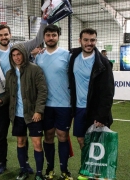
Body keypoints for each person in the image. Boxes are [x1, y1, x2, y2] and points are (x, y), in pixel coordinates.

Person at [0, 15, 47, 175]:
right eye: (0, 35)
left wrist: (43, 21)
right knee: (2, 134)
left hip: (23, 99)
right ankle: (2, 162)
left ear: (10, 35)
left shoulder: (21, 47)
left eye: (6, 34)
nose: (3, 37)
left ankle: (26, 165)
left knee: (23, 133)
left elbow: (38, 39)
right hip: (3, 98)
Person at [68, 28, 114, 180]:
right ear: (80, 40)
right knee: (82, 140)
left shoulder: (103, 63)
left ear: (96, 41)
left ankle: (98, 173)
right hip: (79, 109)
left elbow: (108, 92)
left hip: (96, 111)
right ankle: (87, 168)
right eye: (86, 40)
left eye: (92, 40)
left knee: (97, 143)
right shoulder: (73, 56)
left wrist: (102, 116)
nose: (89, 43)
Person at [35, 24, 73, 180]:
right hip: (45, 105)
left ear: (58, 36)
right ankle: (50, 169)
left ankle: (64, 170)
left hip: (64, 104)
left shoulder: (67, 55)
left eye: (54, 35)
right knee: (48, 136)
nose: (51, 38)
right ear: (44, 37)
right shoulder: (38, 57)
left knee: (63, 135)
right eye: (48, 35)